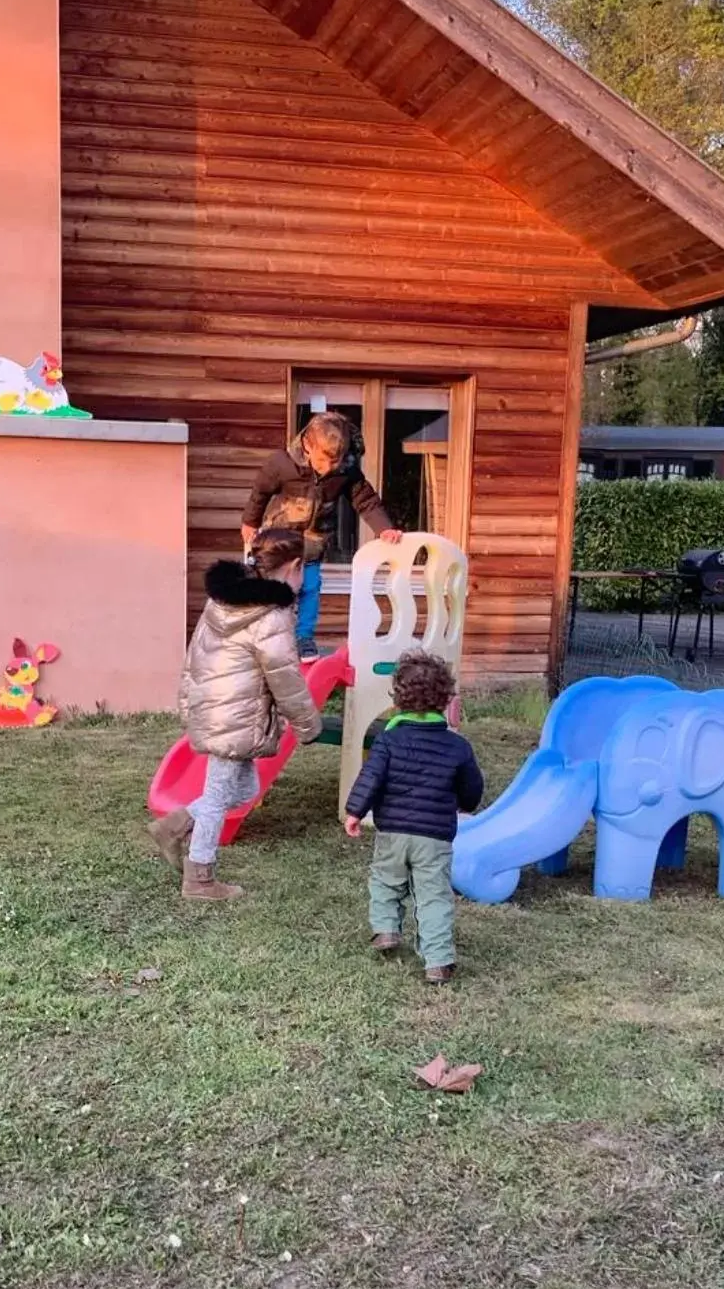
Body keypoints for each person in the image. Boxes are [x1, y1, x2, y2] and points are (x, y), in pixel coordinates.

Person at [150, 527, 322, 901]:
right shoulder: (271, 617)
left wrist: (188, 702)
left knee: (246, 789)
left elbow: (194, 654)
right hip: (236, 715)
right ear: (294, 567)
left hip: (217, 708)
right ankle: (200, 879)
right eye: (303, 571)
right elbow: (286, 679)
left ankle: (176, 824)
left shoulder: (222, 601)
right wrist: (308, 724)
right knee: (217, 796)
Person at [343, 649, 483, 984]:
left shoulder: (389, 739)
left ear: (398, 698)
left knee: (385, 880)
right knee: (433, 894)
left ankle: (386, 929)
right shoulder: (457, 746)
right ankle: (438, 961)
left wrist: (354, 811)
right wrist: (467, 803)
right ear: (445, 699)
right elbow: (471, 787)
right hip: (434, 836)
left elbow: (370, 777)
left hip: (393, 831)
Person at [241, 412, 402, 660]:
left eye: (334, 463)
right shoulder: (282, 464)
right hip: (280, 543)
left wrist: (384, 527)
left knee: (310, 587)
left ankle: (304, 637)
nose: (328, 469)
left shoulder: (346, 471)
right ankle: (268, 636)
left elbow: (366, 500)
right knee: (275, 589)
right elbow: (260, 492)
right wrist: (250, 522)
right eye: (322, 461)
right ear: (307, 445)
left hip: (313, 543)